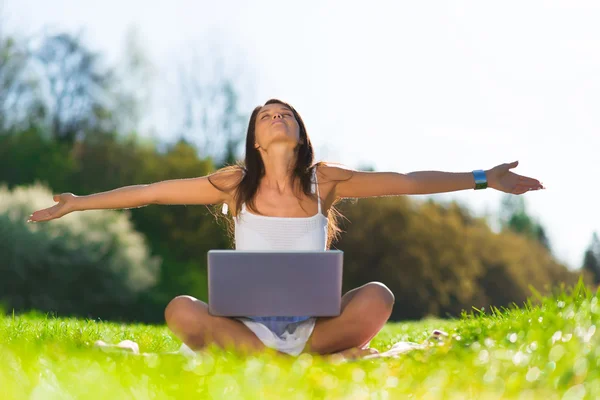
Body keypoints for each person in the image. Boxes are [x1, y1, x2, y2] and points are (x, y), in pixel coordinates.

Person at [27, 98, 545, 360]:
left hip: (312, 329)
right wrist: (78, 204)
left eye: (285, 115)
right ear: (255, 139)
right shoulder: (235, 184)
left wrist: (484, 178)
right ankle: (291, 367)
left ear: (299, 133)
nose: (276, 119)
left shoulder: (326, 181)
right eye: (267, 116)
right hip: (246, 329)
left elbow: (407, 182)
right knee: (179, 310)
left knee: (378, 298)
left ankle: (288, 362)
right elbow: (150, 193)